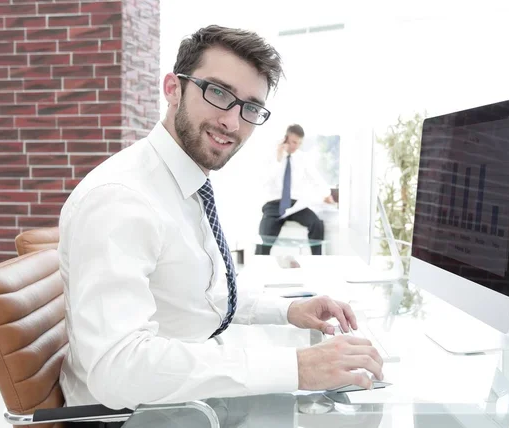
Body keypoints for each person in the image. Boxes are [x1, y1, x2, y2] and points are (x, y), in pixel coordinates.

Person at [58, 25, 384, 421]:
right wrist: (297, 367)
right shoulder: (122, 198)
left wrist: (289, 310)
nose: (232, 122)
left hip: (180, 401)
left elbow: (203, 293)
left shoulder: (186, 183)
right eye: (218, 93)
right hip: (133, 416)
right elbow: (117, 369)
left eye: (250, 107)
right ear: (173, 88)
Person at [256, 124, 336, 256]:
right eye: (293, 142)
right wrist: (278, 158)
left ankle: (317, 261)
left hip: (295, 205)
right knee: (264, 236)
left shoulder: (302, 158)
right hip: (274, 204)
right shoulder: (272, 156)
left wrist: (326, 194)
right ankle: (259, 268)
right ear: (285, 138)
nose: (295, 146)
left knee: (316, 224)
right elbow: (266, 182)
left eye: (299, 143)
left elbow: (315, 177)